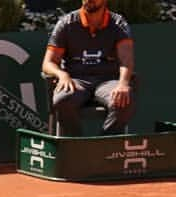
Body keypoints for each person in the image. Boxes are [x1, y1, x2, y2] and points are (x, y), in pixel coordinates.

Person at [42, 0, 135, 136]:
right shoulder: (66, 23)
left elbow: (126, 59)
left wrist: (123, 84)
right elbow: (48, 63)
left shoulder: (118, 23)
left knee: (124, 101)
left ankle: (103, 148)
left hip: (108, 80)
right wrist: (62, 75)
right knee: (62, 100)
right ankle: (77, 146)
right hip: (76, 80)